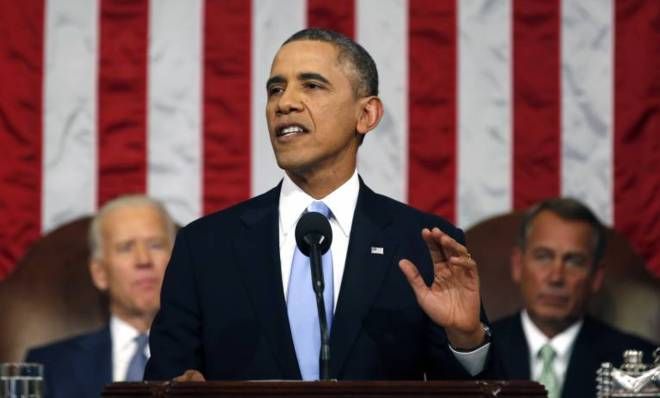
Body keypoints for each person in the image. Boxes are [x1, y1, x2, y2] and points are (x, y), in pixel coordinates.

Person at [145, 28, 500, 381]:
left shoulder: (422, 246)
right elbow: (164, 378)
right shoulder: (205, 247)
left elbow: (475, 390)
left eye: (312, 85)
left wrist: (466, 340)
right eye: (275, 89)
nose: (285, 103)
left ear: (367, 115)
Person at [492, 198, 656, 398]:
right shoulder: (479, 355)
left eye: (574, 261)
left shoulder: (641, 366)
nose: (556, 277)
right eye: (543, 256)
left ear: (596, 277)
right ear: (518, 265)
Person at [26, 195, 175, 398]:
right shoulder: (49, 367)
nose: (143, 260)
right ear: (100, 274)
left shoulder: (215, 359)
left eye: (155, 245)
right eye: (126, 247)